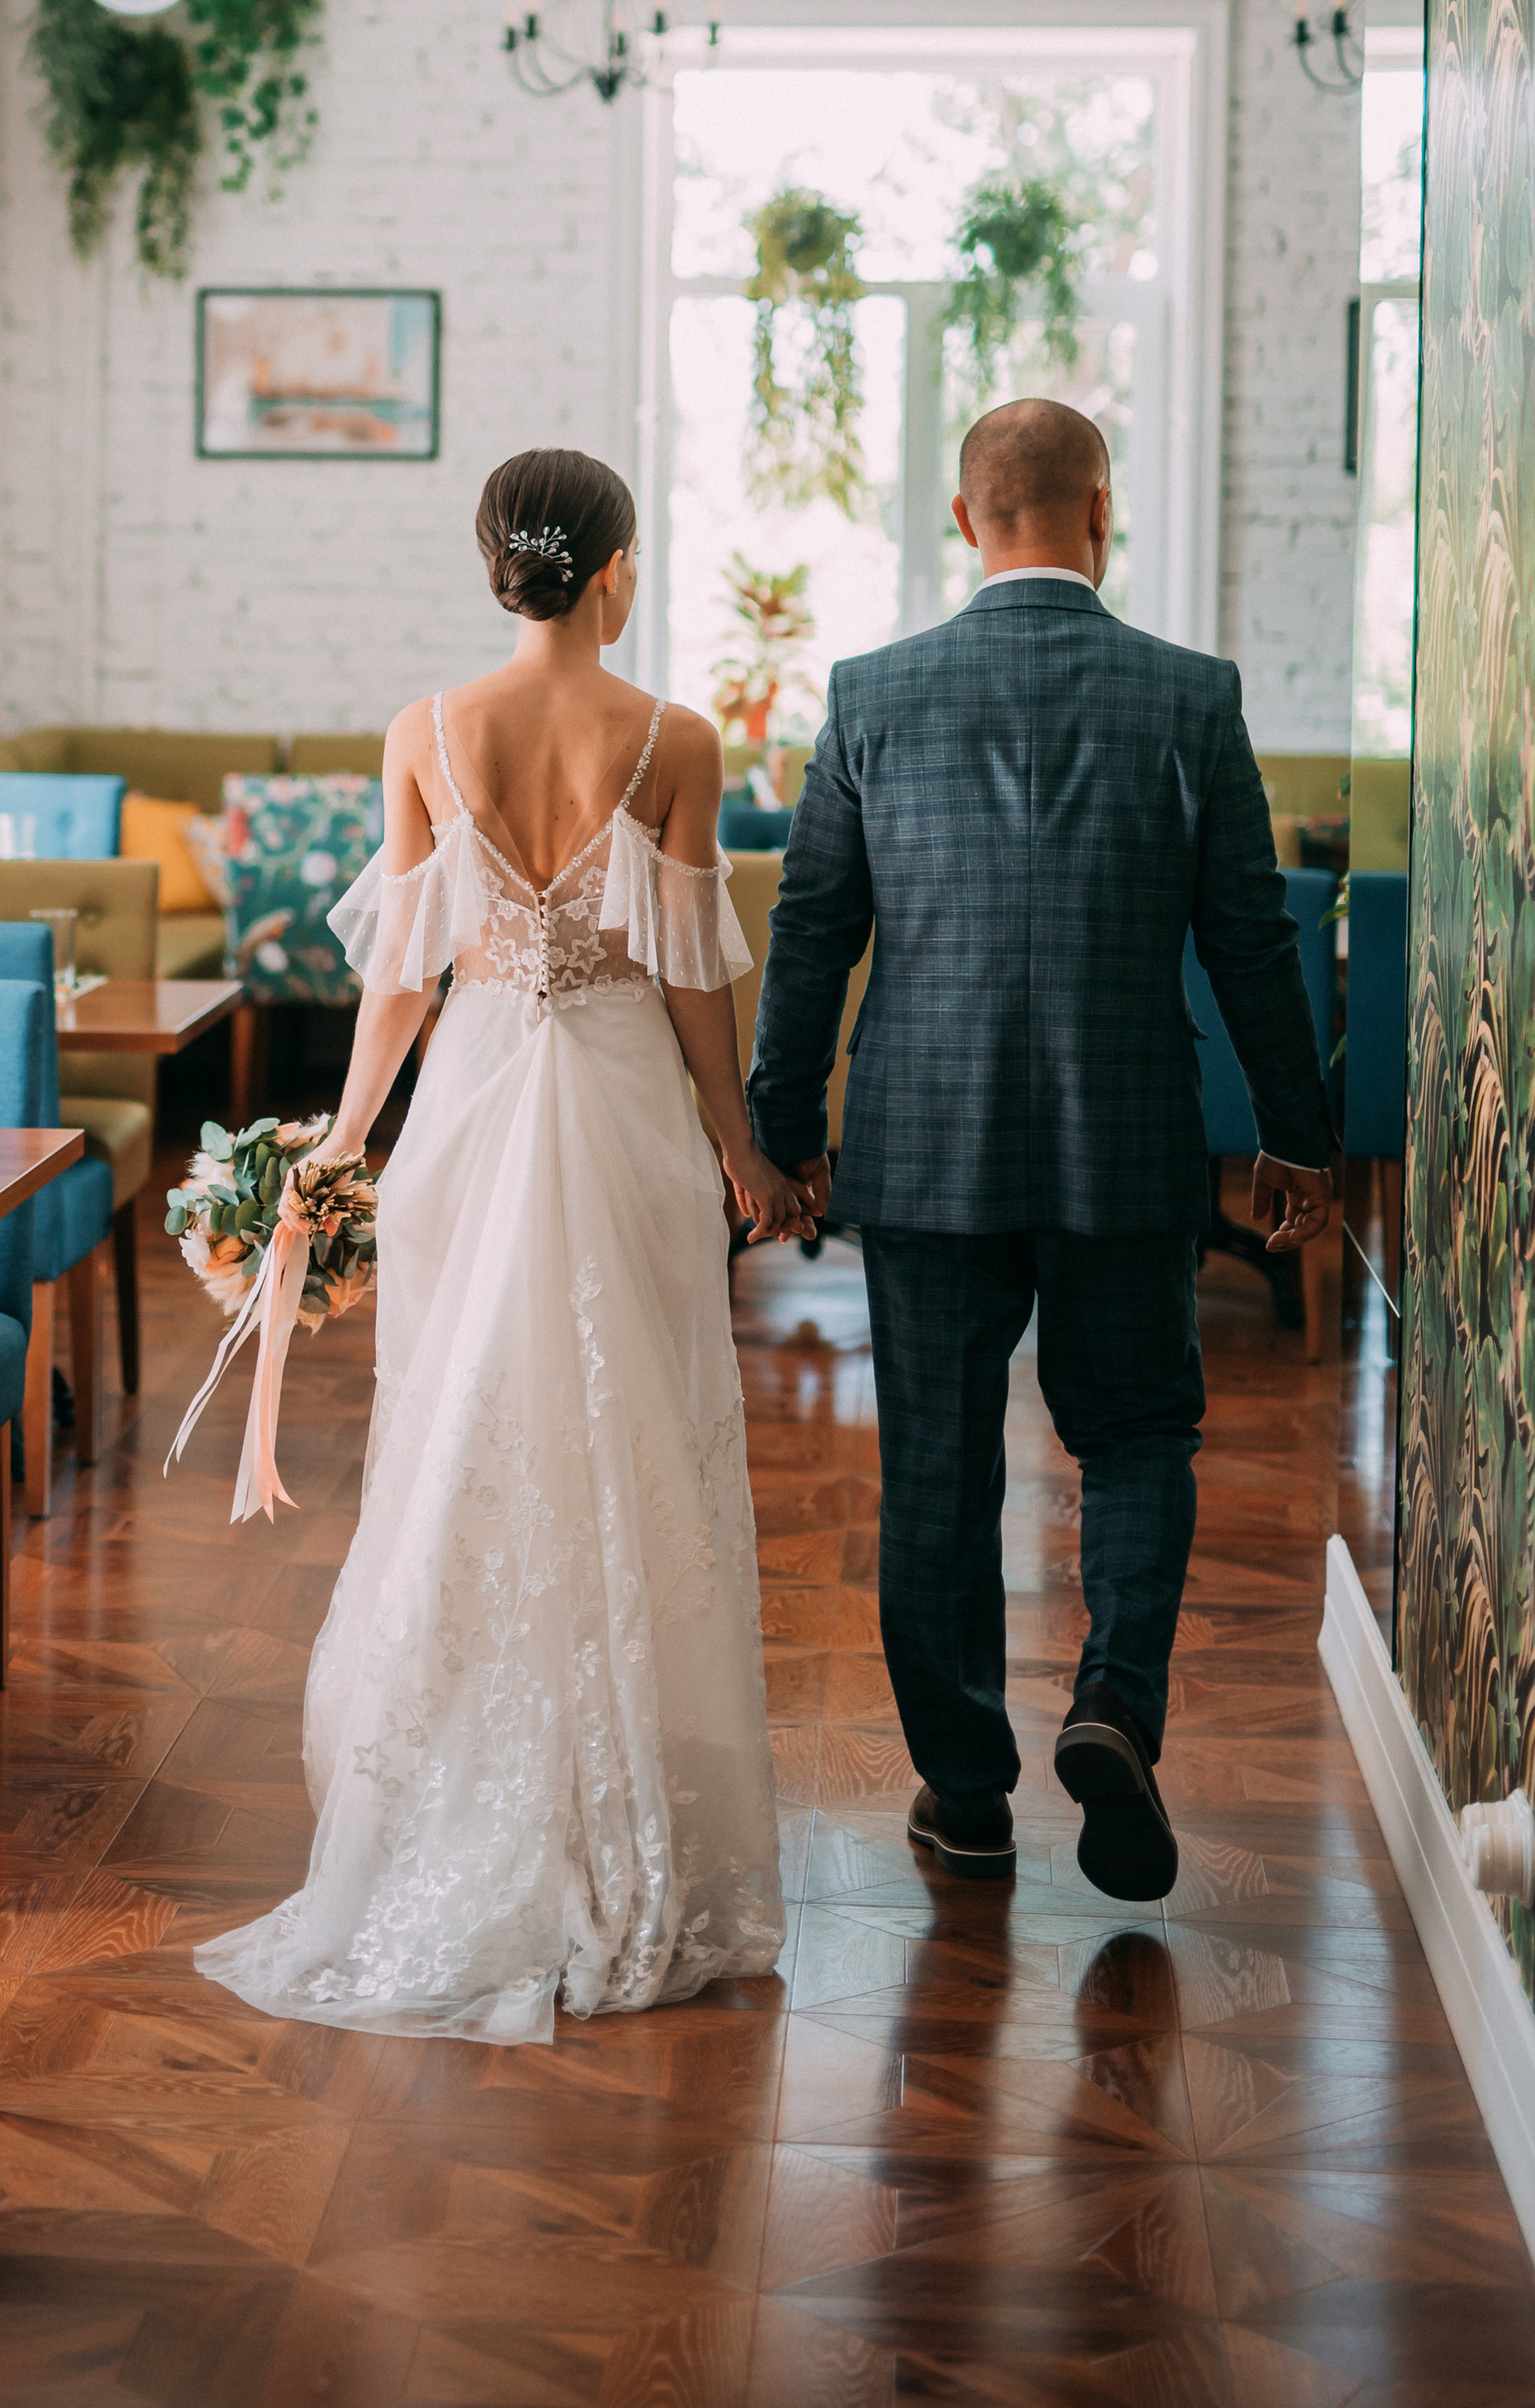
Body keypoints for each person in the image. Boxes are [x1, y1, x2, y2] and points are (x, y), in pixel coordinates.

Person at [194, 447, 808, 2043]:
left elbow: (403, 973)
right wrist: (739, 1144)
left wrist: (344, 1139)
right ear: (614, 569)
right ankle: (613, 1811)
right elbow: (695, 976)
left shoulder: (427, 729)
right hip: (619, 1108)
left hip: (467, 1102)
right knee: (633, 1433)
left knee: (464, 1426)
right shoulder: (674, 738)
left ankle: (465, 1788)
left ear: (501, 564)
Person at [749, 398, 1335, 1903]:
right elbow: (1253, 939)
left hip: (924, 1148)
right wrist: (1300, 1135)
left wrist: (784, 1133)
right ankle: (1114, 1706)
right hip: (1125, 1141)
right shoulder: (1192, 695)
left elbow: (813, 930)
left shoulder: (871, 693)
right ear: (1101, 510)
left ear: (964, 521)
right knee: (1136, 1434)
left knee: (936, 1471)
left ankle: (966, 1796)